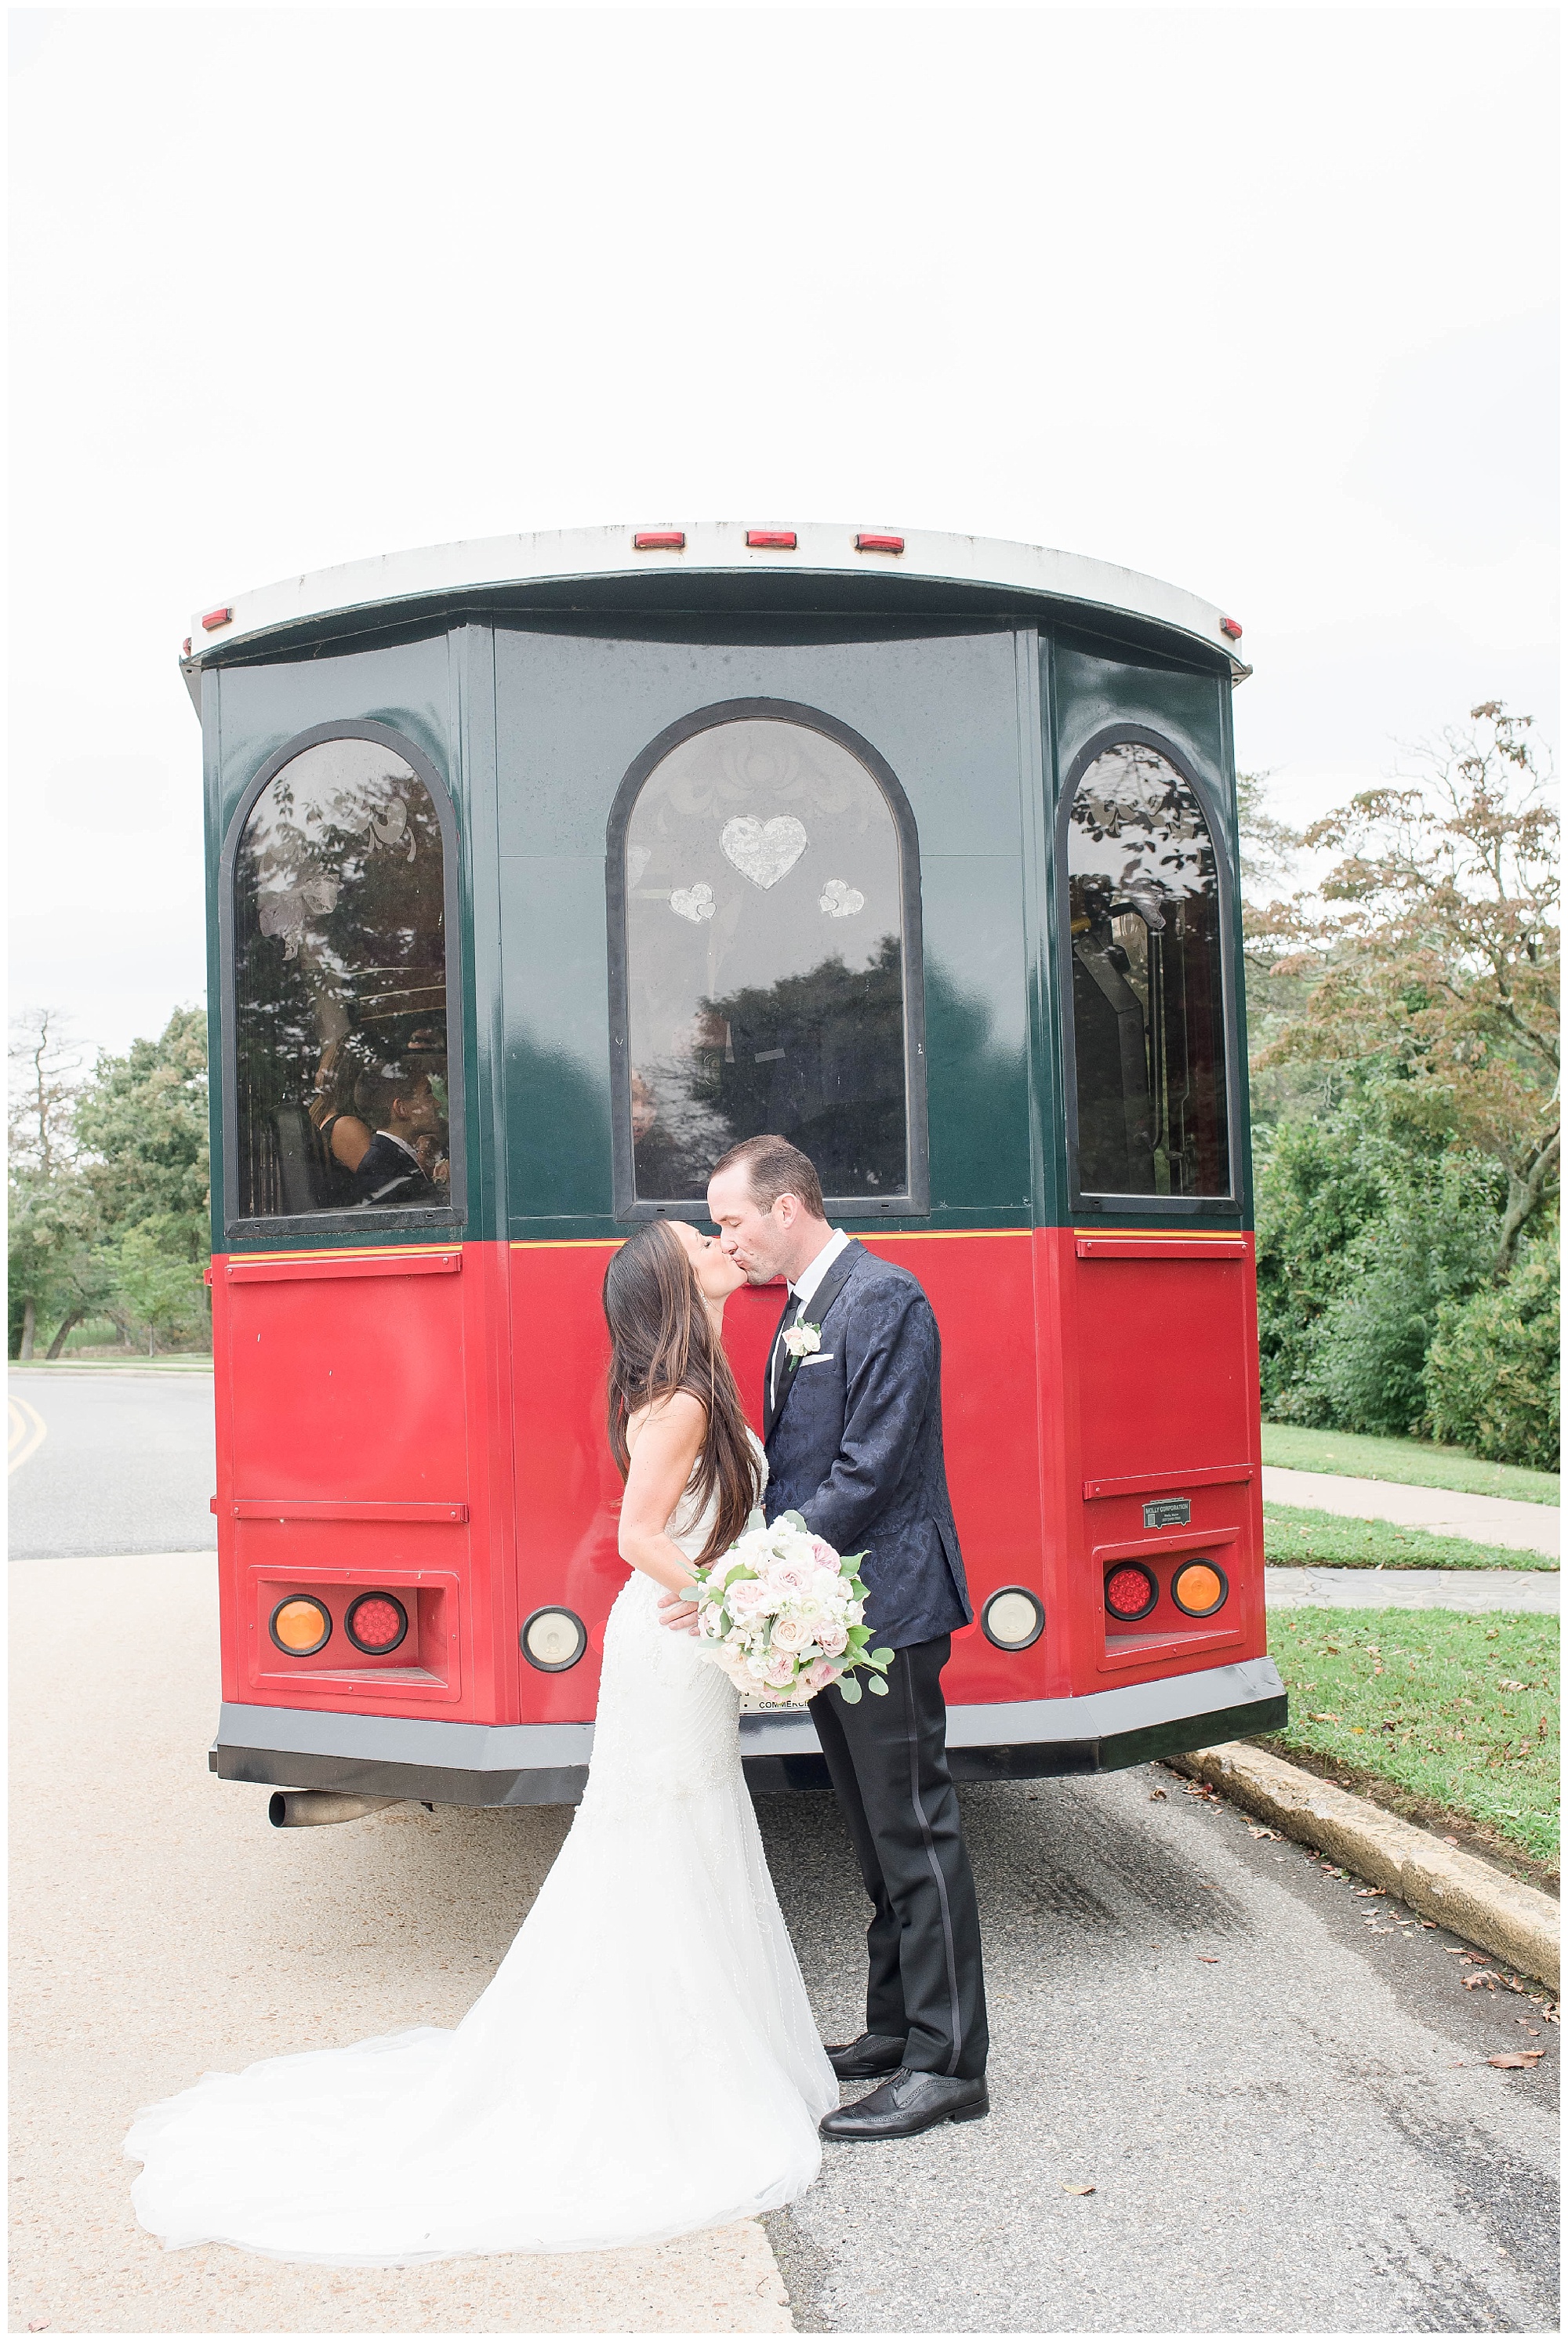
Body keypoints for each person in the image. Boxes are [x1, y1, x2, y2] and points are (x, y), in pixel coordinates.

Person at [124, 1218, 837, 2259]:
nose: (719, 1240)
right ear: (675, 1282)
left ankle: (695, 2051)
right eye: (701, 1239)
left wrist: (741, 1593)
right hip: (673, 1647)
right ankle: (663, 2074)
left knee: (695, 1829)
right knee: (665, 1834)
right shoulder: (680, 1400)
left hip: (686, 1648)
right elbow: (642, 1536)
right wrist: (744, 1601)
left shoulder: (702, 1378)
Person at [687, 1133, 989, 2142]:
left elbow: (867, 1468)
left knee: (913, 1825)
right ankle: (892, 2027)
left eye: (731, 1220)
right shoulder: (799, 1313)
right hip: (832, 1610)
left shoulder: (883, 1297)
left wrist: (755, 1570)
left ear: (787, 1206)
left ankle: (948, 2065)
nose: (726, 1241)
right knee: (869, 1828)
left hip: (889, 1605)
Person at [349, 1067, 446, 1206]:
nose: (438, 1104)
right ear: (401, 1109)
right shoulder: (383, 1171)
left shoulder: (389, 1160)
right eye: (428, 1094)